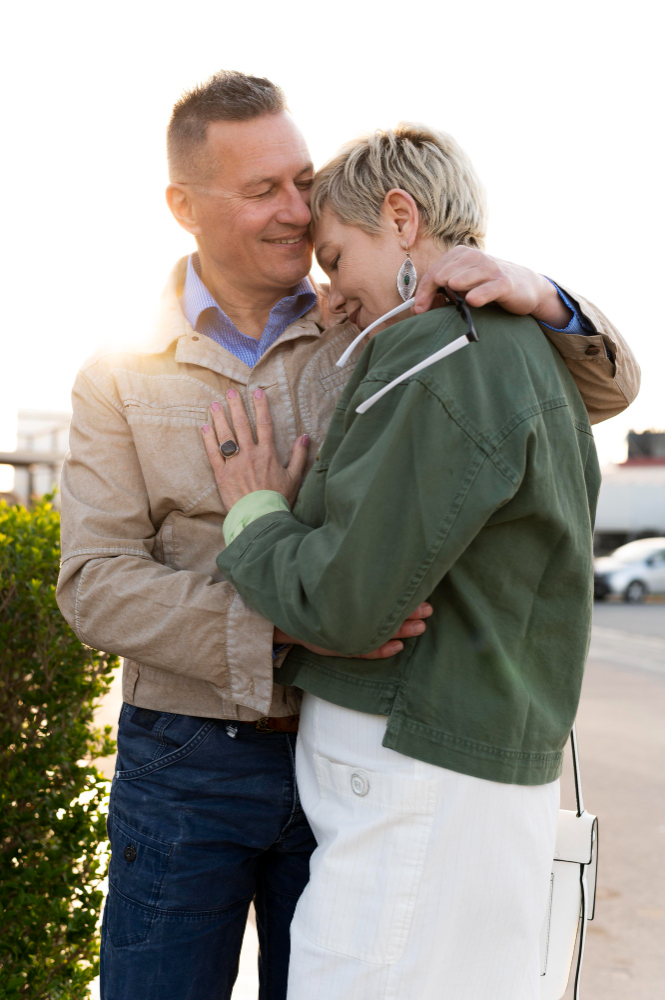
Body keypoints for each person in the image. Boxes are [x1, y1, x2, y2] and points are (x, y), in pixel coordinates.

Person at [55, 71, 638, 1000]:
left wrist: (545, 294)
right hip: (185, 758)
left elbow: (596, 391)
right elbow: (92, 581)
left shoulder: (378, 321)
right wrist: (284, 627)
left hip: (345, 751)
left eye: (300, 181)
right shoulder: (119, 373)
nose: (298, 209)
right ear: (182, 205)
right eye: (262, 192)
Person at [206, 122, 618, 1000]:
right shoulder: (517, 347)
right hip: (456, 778)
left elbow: (345, 604)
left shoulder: (438, 358)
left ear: (401, 218)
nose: (328, 295)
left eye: (334, 256)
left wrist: (255, 514)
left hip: (415, 781)